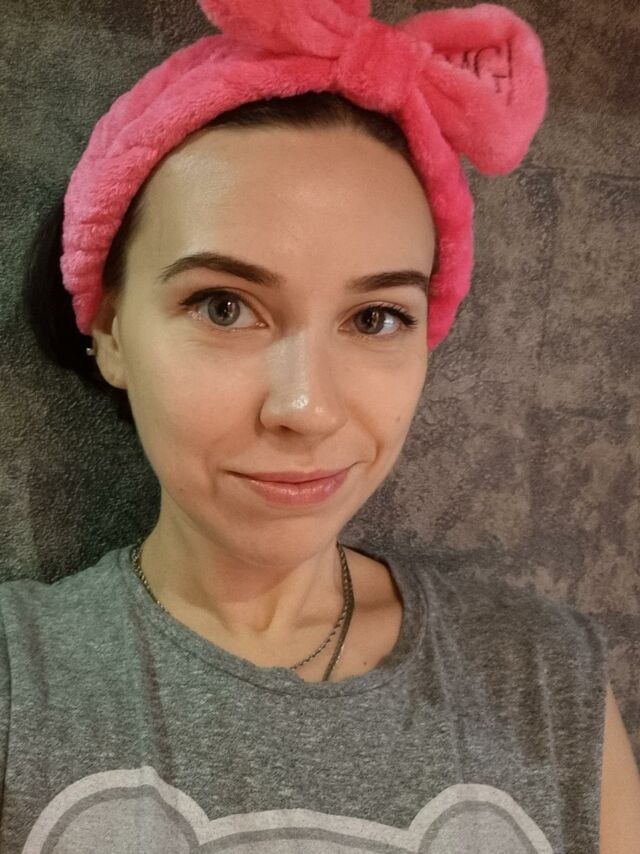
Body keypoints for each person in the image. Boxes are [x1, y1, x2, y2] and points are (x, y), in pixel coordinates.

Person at [2, 0, 639, 851]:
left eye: (377, 318)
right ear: (111, 330)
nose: (306, 409)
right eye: (224, 306)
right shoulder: (20, 680)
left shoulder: (548, 679)